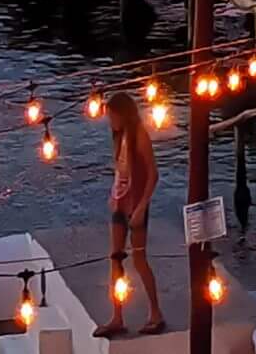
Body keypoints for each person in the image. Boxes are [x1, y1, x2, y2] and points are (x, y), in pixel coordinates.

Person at [103, 89, 167, 336]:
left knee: (139, 259)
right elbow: (120, 169)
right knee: (115, 257)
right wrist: (113, 195)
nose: (110, 121)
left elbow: (153, 174)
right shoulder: (119, 137)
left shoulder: (139, 135)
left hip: (136, 203)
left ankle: (155, 313)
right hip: (120, 201)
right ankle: (117, 316)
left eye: (113, 116)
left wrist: (142, 206)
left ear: (123, 114)